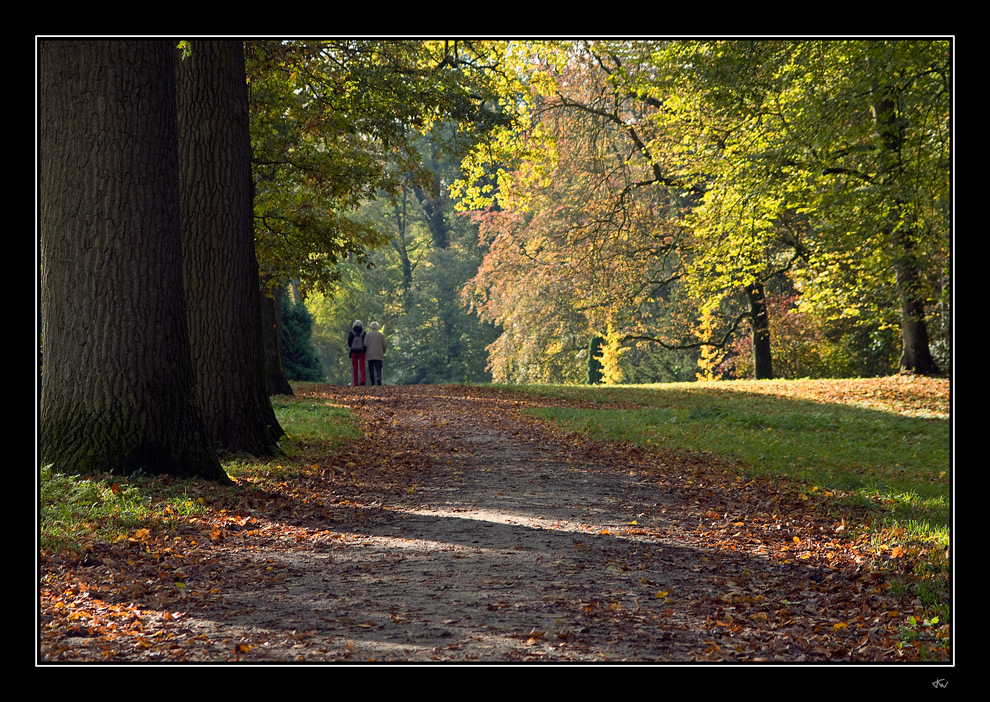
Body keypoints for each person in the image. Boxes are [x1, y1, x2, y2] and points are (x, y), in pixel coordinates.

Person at [364, 321, 387, 386]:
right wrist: (383, 352)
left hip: (370, 354)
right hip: (379, 354)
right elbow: (385, 345)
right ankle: (379, 379)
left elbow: (365, 344)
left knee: (371, 369)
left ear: (371, 327)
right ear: (377, 327)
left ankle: (372, 382)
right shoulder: (381, 335)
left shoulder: (367, 334)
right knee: (378, 368)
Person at [348, 320, 367, 386]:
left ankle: (355, 383)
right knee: (362, 366)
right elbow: (365, 343)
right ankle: (362, 379)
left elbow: (349, 343)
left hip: (354, 352)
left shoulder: (351, 332)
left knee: (355, 368)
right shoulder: (363, 333)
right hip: (362, 352)